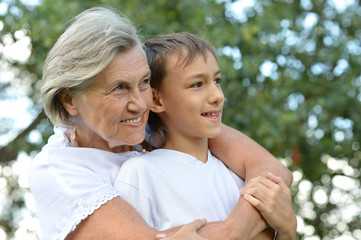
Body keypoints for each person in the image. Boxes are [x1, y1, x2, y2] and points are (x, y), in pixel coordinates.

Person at [28, 7, 293, 240]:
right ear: (70, 100)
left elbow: (272, 170)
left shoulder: (157, 127)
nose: (140, 104)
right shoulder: (60, 171)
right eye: (119, 88)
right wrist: (247, 227)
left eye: (144, 82)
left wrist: (283, 227)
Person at [114, 32, 296, 239]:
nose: (217, 96)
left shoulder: (240, 177)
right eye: (197, 84)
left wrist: (287, 232)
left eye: (217, 81)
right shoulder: (140, 174)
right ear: (156, 99)